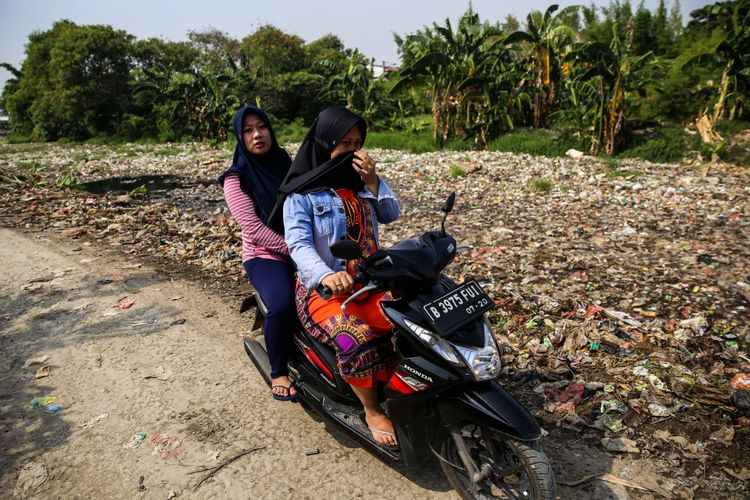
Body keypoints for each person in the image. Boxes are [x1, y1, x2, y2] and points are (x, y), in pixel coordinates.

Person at [281, 106, 401, 446]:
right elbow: (299, 245)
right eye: (344, 144)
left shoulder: (361, 185)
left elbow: (391, 213)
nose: (354, 152)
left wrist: (373, 180)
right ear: (324, 144)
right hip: (325, 292)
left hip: (371, 282)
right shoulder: (301, 196)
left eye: (359, 143)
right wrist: (325, 276)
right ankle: (371, 409)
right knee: (356, 337)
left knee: (410, 323)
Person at [219, 105, 298, 401]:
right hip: (265, 255)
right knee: (281, 303)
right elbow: (252, 228)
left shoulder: (285, 163)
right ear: (240, 137)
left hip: (300, 246)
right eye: (248, 130)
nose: (257, 135)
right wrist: (294, 249)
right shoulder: (235, 178)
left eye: (261, 126)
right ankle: (279, 371)